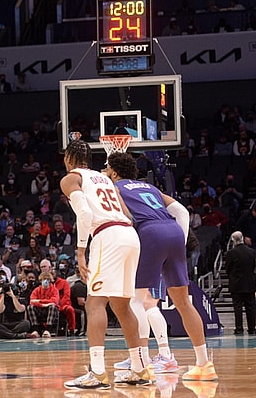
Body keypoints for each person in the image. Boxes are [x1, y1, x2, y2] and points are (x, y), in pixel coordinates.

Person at [106, 151, 216, 380]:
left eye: (107, 170)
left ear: (114, 173)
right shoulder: (151, 188)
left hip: (149, 232)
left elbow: (126, 219)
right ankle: (204, 365)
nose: (106, 173)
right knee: (184, 302)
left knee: (136, 300)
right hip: (173, 230)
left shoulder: (116, 189)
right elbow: (182, 211)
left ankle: (141, 364)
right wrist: (181, 241)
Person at [60, 140, 151, 390]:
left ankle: (98, 372)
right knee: (122, 307)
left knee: (95, 302)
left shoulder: (71, 179)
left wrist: (80, 253)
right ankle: (140, 368)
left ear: (68, 158)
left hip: (107, 235)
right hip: (129, 235)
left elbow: (86, 215)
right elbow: (129, 216)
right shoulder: (106, 179)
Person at [226, 231, 256, 335]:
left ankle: (239, 329)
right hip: (249, 283)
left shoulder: (231, 253)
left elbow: (228, 269)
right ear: (243, 238)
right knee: (250, 306)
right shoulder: (252, 251)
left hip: (236, 284)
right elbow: (253, 267)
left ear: (233, 240)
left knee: (238, 307)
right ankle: (252, 328)